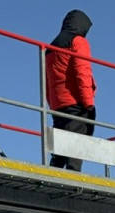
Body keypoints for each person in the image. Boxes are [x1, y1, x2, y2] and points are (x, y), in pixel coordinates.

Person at [45, 9, 96, 170]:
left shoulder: (50, 47)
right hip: (75, 103)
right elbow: (83, 73)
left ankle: (55, 170)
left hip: (57, 104)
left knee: (61, 144)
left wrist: (52, 104)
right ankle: (73, 175)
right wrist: (88, 103)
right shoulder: (78, 42)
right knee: (77, 143)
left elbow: (47, 81)